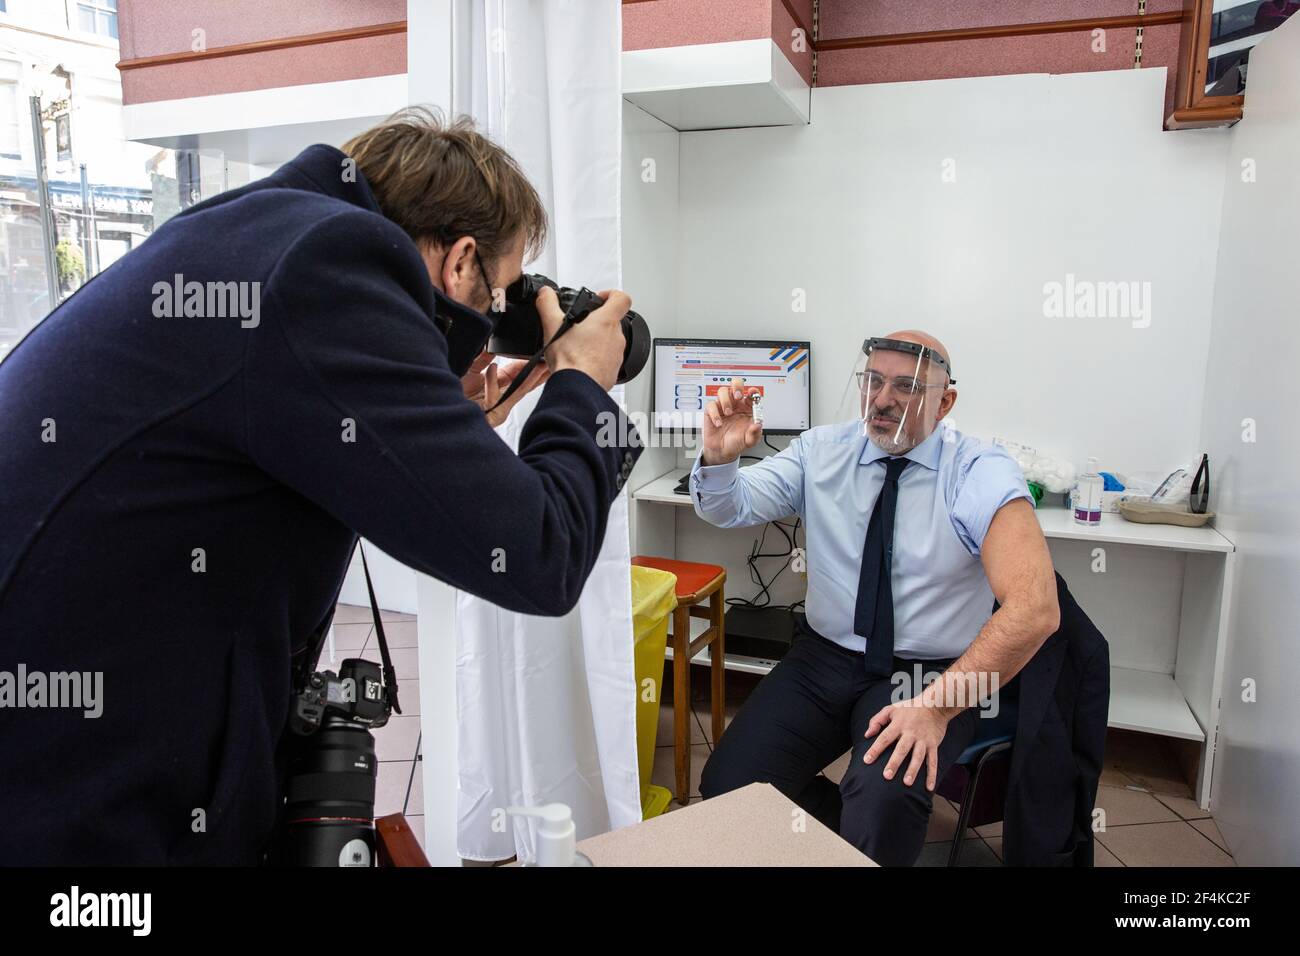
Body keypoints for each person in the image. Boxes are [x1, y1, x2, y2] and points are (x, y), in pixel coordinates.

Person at [0, 108, 641, 864]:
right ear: (461, 261)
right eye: (496, 298)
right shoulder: (328, 265)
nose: (494, 321)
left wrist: (441, 418)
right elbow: (540, 553)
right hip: (76, 805)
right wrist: (581, 384)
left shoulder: (260, 237)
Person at [691, 331, 1059, 866]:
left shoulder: (978, 470)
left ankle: (870, 839)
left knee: (884, 800)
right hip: (824, 658)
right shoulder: (823, 450)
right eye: (873, 381)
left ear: (945, 402)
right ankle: (845, 845)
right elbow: (729, 508)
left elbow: (1036, 610)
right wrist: (720, 460)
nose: (882, 399)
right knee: (731, 789)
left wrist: (934, 711)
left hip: (929, 672)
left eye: (906, 386)